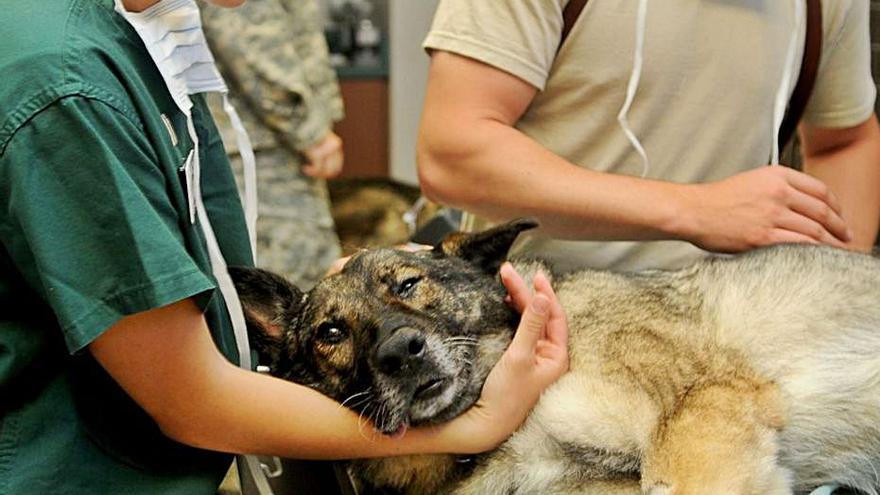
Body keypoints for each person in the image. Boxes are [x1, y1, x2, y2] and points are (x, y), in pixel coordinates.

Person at [0, 1, 569, 494]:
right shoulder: (69, 83)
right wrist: (479, 423)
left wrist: (357, 296)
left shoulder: (143, 32)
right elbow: (191, 400)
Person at [418, 0, 880, 274]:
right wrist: (696, 210)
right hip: (541, 329)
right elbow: (453, 153)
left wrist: (829, 286)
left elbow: (846, 139)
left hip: (739, 331)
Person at [201, 0, 345, 289]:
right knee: (287, 292)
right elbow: (247, 35)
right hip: (259, 149)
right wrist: (309, 130)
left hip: (265, 142)